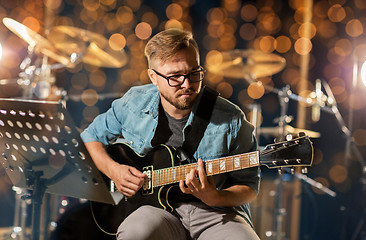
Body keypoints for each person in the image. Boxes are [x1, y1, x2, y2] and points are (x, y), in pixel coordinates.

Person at [80, 28, 261, 240]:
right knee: (135, 233)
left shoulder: (232, 118)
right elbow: (90, 138)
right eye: (175, 77)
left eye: (194, 73)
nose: (187, 84)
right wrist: (114, 171)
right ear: (153, 77)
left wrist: (215, 196)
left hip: (216, 213)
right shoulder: (133, 103)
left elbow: (248, 186)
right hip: (155, 211)